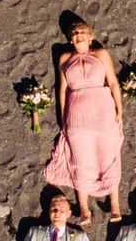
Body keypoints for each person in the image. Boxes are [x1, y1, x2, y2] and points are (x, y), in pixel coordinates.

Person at [42, 20, 125, 223]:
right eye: (75, 32)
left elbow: (113, 82)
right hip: (77, 111)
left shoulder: (101, 54)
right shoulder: (64, 58)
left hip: (102, 108)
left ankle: (114, 204)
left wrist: (119, 108)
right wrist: (63, 117)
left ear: (90, 36)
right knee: (81, 159)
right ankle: (84, 208)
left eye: (82, 32)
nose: (78, 34)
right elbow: (62, 90)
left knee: (109, 154)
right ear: (70, 38)